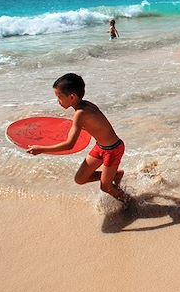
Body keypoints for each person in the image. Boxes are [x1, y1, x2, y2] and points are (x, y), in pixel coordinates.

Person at [27, 73, 131, 207]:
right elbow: (95, 126)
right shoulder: (85, 105)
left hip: (113, 149)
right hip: (100, 147)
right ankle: (115, 175)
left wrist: (41, 149)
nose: (58, 101)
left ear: (71, 97)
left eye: (59, 97)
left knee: (105, 187)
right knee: (80, 179)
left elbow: (69, 145)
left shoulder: (80, 114)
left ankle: (130, 203)